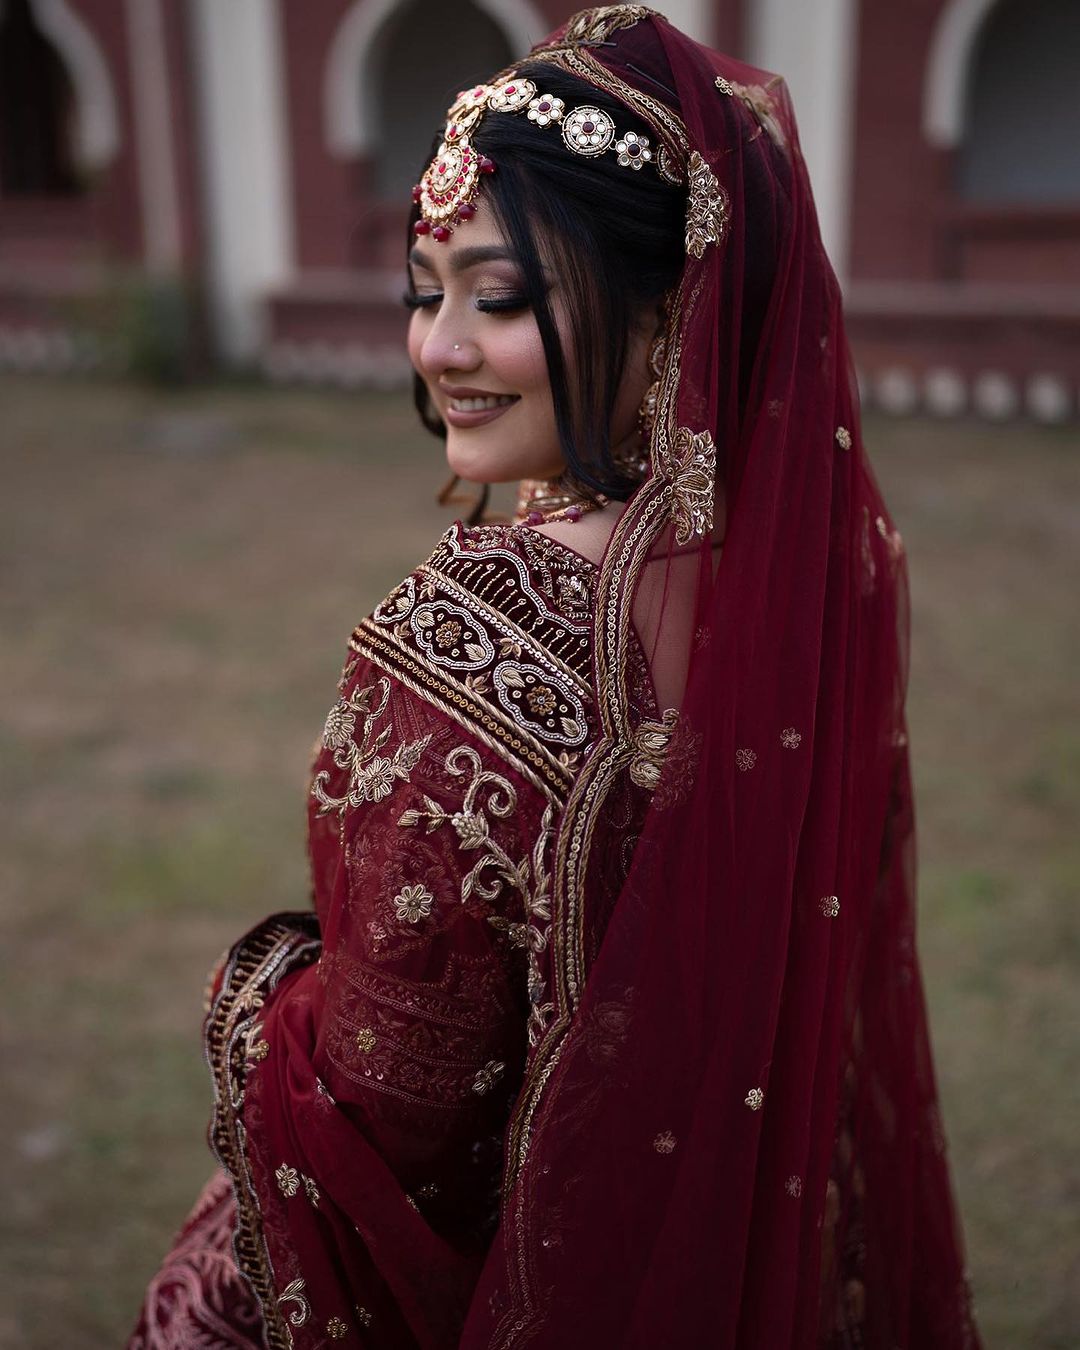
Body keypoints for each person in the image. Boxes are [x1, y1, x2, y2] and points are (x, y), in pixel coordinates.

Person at [130, 7, 981, 1347]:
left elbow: (388, 1108)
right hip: (737, 1264)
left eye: (501, 295)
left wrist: (257, 1000)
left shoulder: (478, 627)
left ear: (668, 314)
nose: (440, 347)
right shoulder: (821, 580)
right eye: (426, 288)